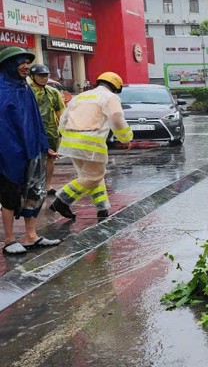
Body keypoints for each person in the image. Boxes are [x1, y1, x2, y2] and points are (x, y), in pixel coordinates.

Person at [0, 47, 62, 254]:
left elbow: (35, 121)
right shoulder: (2, 90)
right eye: (21, 62)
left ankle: (30, 235)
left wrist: (45, 147)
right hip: (9, 154)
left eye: (28, 62)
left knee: (34, 192)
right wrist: (12, 152)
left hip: (33, 151)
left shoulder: (25, 89)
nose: (26, 66)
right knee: (9, 196)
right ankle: (9, 240)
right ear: (9, 65)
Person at [50, 72, 133, 220]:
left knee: (90, 176)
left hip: (71, 141)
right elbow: (116, 118)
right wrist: (126, 138)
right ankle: (61, 201)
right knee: (93, 176)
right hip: (91, 142)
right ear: (115, 87)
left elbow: (64, 117)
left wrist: (63, 135)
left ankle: (102, 209)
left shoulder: (81, 96)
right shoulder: (110, 97)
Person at [27, 64, 66, 196]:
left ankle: (48, 185)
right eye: (40, 76)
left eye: (46, 76)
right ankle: (30, 185)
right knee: (31, 159)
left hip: (50, 131)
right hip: (31, 131)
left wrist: (64, 129)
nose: (44, 78)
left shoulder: (53, 92)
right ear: (32, 77)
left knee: (50, 159)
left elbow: (61, 112)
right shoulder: (27, 91)